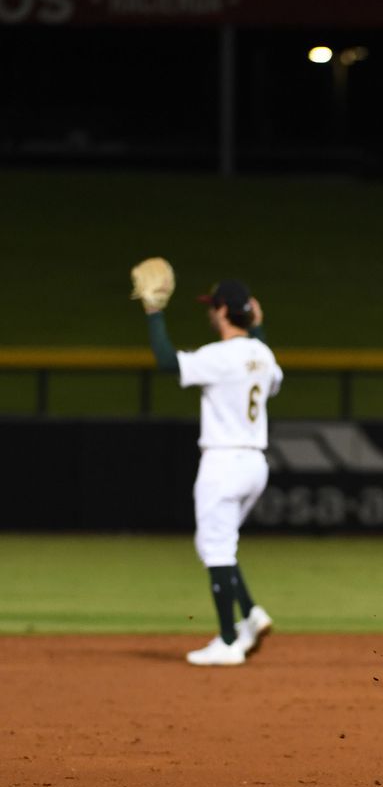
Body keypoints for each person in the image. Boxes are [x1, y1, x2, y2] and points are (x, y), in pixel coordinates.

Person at [140, 278, 281, 666]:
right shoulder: (262, 354)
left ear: (222, 311)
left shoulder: (221, 355)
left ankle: (227, 640)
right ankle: (251, 615)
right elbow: (270, 384)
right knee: (215, 546)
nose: (209, 311)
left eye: (212, 305)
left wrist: (154, 314)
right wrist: (258, 326)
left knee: (216, 549)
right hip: (254, 463)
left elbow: (168, 361)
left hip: (223, 462)